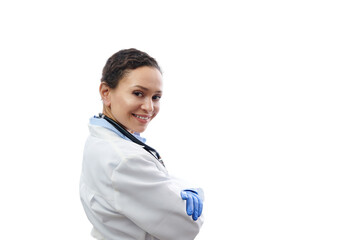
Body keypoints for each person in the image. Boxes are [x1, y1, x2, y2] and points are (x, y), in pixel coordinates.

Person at [79, 48, 204, 240]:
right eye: (138, 93)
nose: (149, 107)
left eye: (156, 97)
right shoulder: (124, 160)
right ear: (106, 92)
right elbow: (188, 226)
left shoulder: (100, 140)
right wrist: (194, 192)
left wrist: (173, 188)